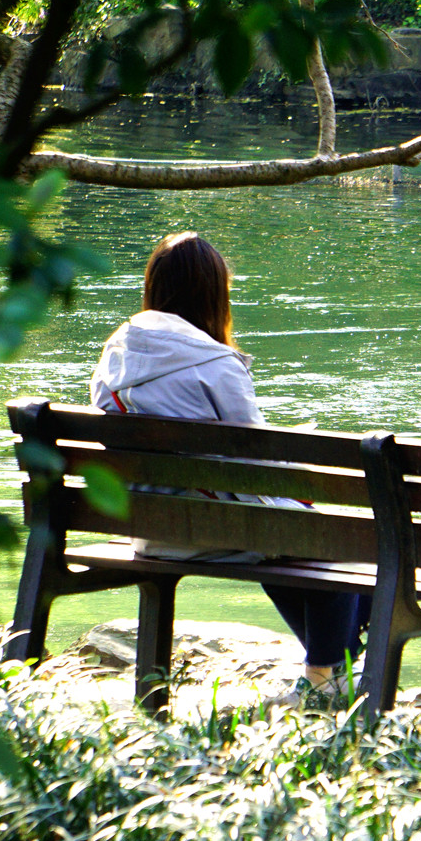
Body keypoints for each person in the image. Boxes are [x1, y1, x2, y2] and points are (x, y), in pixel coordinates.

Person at [89, 231, 365, 704]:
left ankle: (333, 671)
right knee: (331, 540)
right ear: (214, 293)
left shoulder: (112, 356)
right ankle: (327, 677)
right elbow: (259, 461)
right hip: (213, 531)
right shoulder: (216, 363)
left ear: (153, 286)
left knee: (281, 535)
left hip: (148, 528)